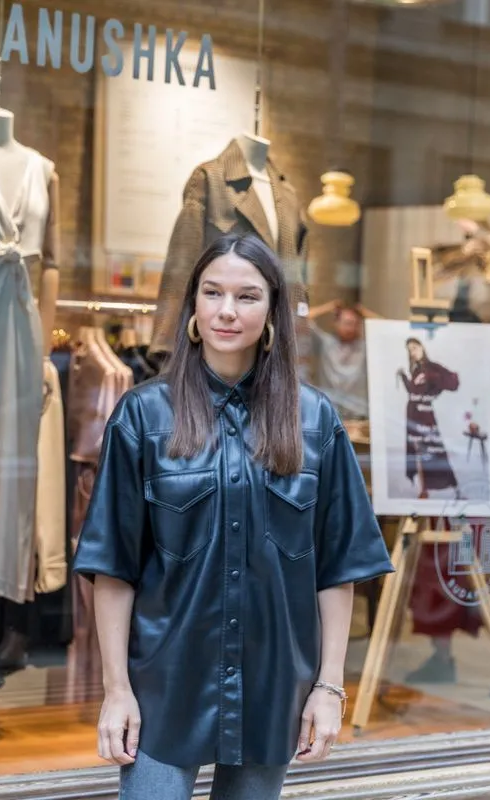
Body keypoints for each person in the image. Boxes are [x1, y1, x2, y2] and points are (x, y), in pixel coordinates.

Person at [71, 233, 394, 800]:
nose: (227, 310)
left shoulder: (315, 421)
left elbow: (336, 569)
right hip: (163, 688)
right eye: (212, 292)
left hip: (274, 689)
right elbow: (113, 568)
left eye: (247, 296)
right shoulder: (142, 416)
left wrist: (329, 687)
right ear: (193, 305)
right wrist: (116, 689)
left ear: (272, 311)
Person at [397, 338, 460, 499]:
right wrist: (403, 376)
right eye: (410, 350)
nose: (413, 352)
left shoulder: (432, 368)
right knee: (417, 449)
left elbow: (452, 382)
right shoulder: (416, 370)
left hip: (425, 416)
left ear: (422, 347)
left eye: (415, 347)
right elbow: (413, 391)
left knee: (433, 449)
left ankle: (454, 488)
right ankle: (423, 488)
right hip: (412, 413)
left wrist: (432, 378)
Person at [307, 299, 379, 420]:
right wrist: (327, 307)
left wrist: (365, 313)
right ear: (336, 323)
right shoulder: (326, 343)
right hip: (329, 414)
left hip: (359, 415)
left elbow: (388, 327)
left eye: (355, 324)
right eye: (347, 323)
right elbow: (301, 318)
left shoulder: (364, 347)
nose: (351, 328)